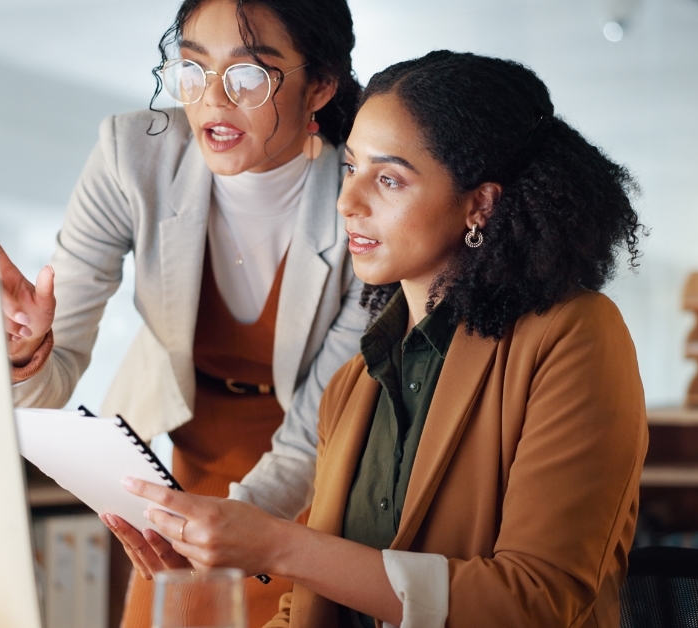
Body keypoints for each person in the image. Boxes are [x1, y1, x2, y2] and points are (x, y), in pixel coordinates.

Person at [112, 50, 650, 627]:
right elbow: (309, 610)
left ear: (480, 204)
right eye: (350, 168)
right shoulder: (352, 383)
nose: (348, 202)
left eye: (388, 179)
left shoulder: (574, 337)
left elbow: (532, 602)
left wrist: (274, 545)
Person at [0, 0, 366, 625]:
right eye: (193, 69)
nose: (212, 101)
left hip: (323, 479)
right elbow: (50, 385)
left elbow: (310, 436)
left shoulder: (359, 198)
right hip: (188, 467)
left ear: (320, 86)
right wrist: (27, 350)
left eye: (249, 75)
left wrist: (226, 535)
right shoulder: (132, 156)